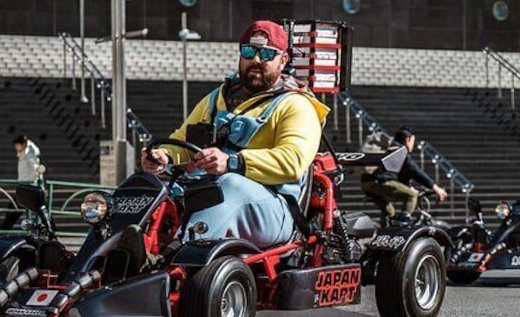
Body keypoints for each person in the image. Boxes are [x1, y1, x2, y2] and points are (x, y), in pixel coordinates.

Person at [140, 20, 329, 247]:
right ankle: (116, 256)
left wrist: (232, 162)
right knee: (145, 186)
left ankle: (179, 250)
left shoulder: (296, 105)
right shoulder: (216, 99)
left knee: (230, 185)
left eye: (267, 54)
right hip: (208, 193)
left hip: (275, 207)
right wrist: (163, 155)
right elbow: (182, 141)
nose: (256, 60)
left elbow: (293, 161)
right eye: (249, 51)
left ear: (283, 60)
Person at [360, 126, 448, 223]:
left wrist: (408, 186)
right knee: (412, 195)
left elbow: (401, 174)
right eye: (413, 141)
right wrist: (435, 188)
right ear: (407, 139)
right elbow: (414, 170)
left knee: (389, 213)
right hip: (382, 182)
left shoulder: (391, 148)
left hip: (367, 183)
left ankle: (385, 232)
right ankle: (402, 225)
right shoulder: (400, 150)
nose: (413, 144)